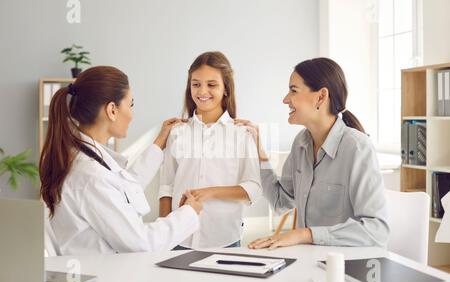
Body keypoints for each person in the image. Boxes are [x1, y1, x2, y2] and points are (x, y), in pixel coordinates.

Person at [40, 66, 202, 256]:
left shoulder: (82, 160)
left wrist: (158, 144)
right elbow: (140, 243)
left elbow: (123, 188)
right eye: (130, 104)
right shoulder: (90, 175)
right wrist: (188, 213)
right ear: (112, 110)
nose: (131, 114)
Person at [235, 58, 389, 249]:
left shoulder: (357, 148)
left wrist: (305, 234)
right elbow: (280, 201)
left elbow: (377, 230)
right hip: (307, 261)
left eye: (293, 90)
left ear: (321, 97)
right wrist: (259, 151)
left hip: (343, 266)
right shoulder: (301, 143)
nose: (285, 99)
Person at [159, 52, 262, 249]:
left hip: (223, 238)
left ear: (226, 89)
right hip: (178, 237)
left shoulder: (241, 133)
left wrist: (211, 192)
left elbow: (253, 189)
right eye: (196, 84)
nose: (202, 91)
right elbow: (167, 186)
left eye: (211, 84)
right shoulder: (176, 132)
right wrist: (163, 230)